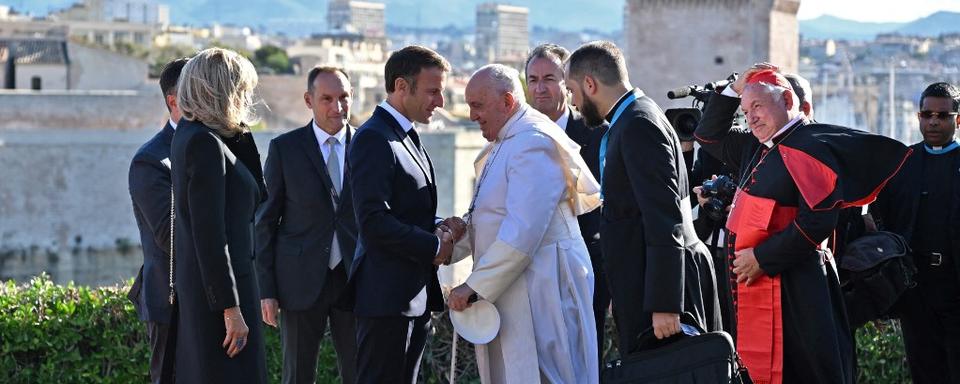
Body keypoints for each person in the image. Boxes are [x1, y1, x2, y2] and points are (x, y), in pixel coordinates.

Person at [694, 66, 909, 383]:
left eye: (758, 107)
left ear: (785, 100)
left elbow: (817, 222)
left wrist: (762, 259)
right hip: (759, 283)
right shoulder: (756, 146)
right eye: (745, 110)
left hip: (798, 287)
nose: (751, 118)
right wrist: (732, 88)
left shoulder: (809, 145)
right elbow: (708, 134)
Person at [564, 41, 722, 355]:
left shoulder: (638, 124)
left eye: (571, 90)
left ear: (590, 84)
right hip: (645, 286)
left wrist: (665, 303)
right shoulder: (633, 118)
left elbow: (663, 216)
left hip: (663, 299)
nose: (572, 102)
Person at [446, 64, 601, 383]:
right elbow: (489, 216)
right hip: (516, 286)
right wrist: (448, 245)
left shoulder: (532, 141)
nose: (472, 115)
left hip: (544, 289)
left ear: (507, 101)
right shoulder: (508, 138)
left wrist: (473, 285)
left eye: (477, 105)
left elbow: (522, 231)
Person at [348, 45, 461, 384]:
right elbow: (373, 222)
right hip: (386, 303)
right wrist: (433, 246)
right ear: (401, 86)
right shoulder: (374, 138)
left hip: (411, 299)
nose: (440, 101)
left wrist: (441, 226)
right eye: (433, 91)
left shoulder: (404, 135)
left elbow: (406, 209)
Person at [169, 47, 268, 383]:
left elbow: (259, 192)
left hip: (224, 291)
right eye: (241, 89)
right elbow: (209, 235)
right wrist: (231, 309)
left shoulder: (201, 136)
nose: (246, 97)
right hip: (224, 299)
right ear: (222, 90)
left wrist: (238, 127)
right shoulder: (204, 145)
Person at [255, 66, 357, 384]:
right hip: (299, 281)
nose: (337, 107)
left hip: (356, 279)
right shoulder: (285, 149)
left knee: (361, 373)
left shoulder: (371, 147)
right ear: (308, 100)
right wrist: (266, 291)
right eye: (326, 98)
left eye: (344, 98)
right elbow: (265, 222)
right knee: (296, 376)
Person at [524, 43, 611, 366]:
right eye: (532, 79)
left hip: (587, 275)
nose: (539, 87)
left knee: (585, 365)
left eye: (549, 78)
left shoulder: (600, 134)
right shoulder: (516, 136)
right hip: (530, 280)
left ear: (568, 83)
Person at [870, 82, 960, 383]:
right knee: (924, 371)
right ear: (918, 116)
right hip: (915, 287)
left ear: (957, 119)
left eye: (943, 115)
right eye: (927, 113)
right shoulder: (900, 162)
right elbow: (878, 218)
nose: (934, 121)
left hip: (955, 285)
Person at [127, 57, 188, 384]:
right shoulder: (151, 160)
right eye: (198, 91)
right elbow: (171, 236)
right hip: (172, 302)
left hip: (211, 299)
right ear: (173, 101)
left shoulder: (221, 148)